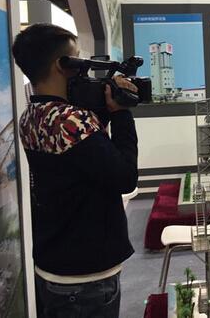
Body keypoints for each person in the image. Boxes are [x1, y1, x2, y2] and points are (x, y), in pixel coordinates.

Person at [12, 24, 138, 318]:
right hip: (86, 275)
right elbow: (124, 177)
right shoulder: (70, 121)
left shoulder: (32, 116)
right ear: (62, 65)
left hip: (54, 262)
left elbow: (83, 157)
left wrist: (104, 110)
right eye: (78, 59)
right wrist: (121, 113)